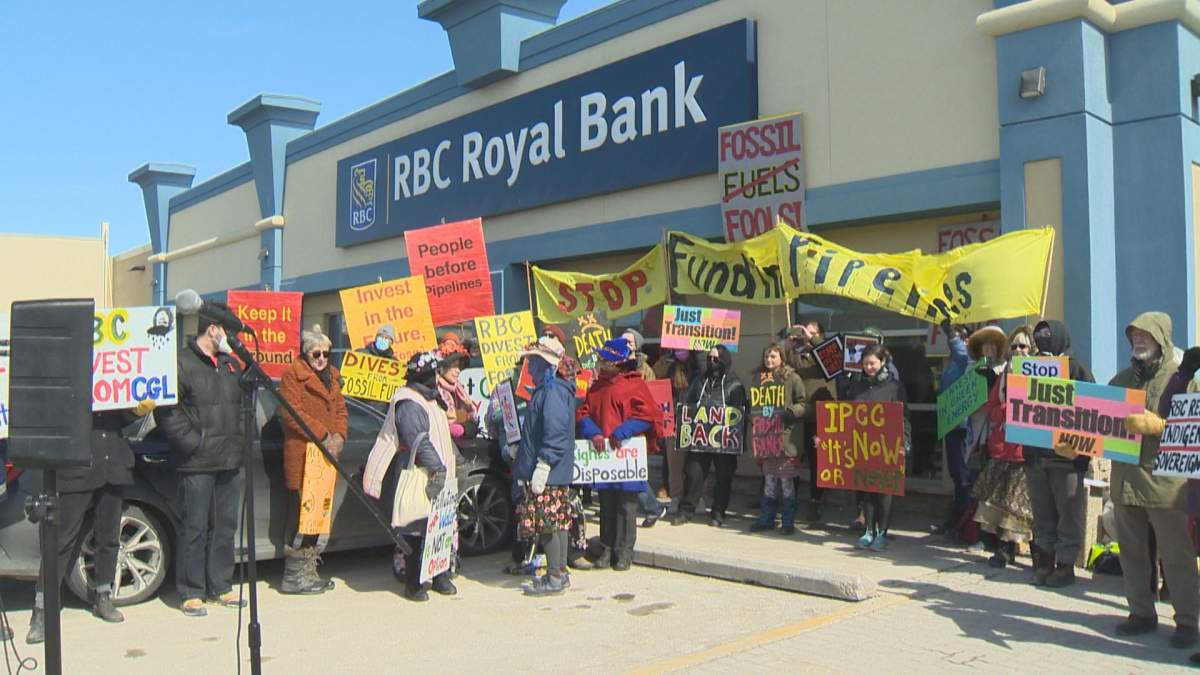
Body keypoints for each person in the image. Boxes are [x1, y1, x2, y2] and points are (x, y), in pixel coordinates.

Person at [25, 402, 155, 644]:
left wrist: (135, 412)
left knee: (109, 535)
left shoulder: (114, 377)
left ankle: (103, 595)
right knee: (61, 541)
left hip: (112, 464)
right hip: (77, 467)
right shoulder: (69, 379)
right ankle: (42, 609)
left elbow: (121, 417)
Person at [1108, 313, 1198, 648]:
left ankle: (1187, 621)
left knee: (1177, 557)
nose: (1138, 340)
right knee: (1132, 555)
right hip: (1125, 480)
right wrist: (1075, 442)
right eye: (1134, 335)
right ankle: (1141, 613)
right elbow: (1096, 420)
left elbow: (1194, 424)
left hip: (1165, 485)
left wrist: (1161, 426)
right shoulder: (1120, 380)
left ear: (1161, 338)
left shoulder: (1183, 378)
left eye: (1145, 335)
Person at [154, 313, 248, 617]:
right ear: (213, 330)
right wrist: (193, 442)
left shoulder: (230, 364)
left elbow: (243, 405)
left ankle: (221, 585)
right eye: (229, 333)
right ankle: (192, 591)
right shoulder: (181, 362)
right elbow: (166, 411)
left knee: (225, 526)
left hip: (228, 458)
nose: (233, 340)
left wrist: (240, 437)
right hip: (196, 462)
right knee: (194, 526)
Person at [363, 350, 458, 601]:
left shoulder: (431, 399)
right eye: (432, 373)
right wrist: (437, 468)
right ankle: (414, 582)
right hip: (419, 471)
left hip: (440, 472)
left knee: (439, 527)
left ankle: (439, 574)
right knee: (416, 528)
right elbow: (418, 439)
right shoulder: (409, 401)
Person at [1024, 320, 1094, 588]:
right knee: (1042, 514)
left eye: (1048, 338)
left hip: (1066, 459)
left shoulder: (1077, 369)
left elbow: (1093, 411)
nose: (1043, 343)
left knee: (1068, 515)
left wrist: (1080, 454)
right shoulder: (1028, 368)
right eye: (1039, 339)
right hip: (1036, 456)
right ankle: (1044, 561)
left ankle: (1065, 565)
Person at [277, 325, 347, 595]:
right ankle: (294, 576)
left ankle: (309, 570)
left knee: (318, 516)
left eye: (326, 354)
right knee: (301, 517)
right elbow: (290, 413)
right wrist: (323, 434)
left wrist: (339, 436)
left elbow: (341, 410)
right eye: (316, 354)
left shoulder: (333, 376)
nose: (321, 359)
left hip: (326, 458)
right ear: (306, 353)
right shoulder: (293, 376)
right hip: (303, 456)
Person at [577, 338, 657, 570]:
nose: (601, 362)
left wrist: (622, 432)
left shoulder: (634, 384)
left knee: (626, 505)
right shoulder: (596, 387)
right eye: (602, 359)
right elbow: (583, 413)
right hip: (604, 458)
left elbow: (647, 415)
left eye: (605, 359)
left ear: (617, 363)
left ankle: (624, 551)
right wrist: (593, 433)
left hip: (625, 456)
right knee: (607, 504)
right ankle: (607, 547)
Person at [512, 336, 577, 596]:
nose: (530, 368)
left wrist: (543, 463)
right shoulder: (551, 389)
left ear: (546, 364)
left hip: (549, 470)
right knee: (557, 522)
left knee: (548, 524)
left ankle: (554, 577)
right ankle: (559, 572)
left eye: (534, 362)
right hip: (553, 469)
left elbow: (555, 431)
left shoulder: (552, 391)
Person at [968, 326, 1034, 568]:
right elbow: (992, 408)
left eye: (1023, 346)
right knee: (999, 502)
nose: (1018, 350)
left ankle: (1037, 556)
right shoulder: (1005, 373)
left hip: (1025, 452)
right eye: (1014, 346)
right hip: (1002, 449)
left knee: (1020, 508)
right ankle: (1003, 551)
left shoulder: (1041, 372)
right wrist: (1008, 409)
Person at [842, 344, 910, 551]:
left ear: (883, 362)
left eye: (872, 363)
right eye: (865, 364)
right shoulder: (856, 386)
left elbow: (904, 418)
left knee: (885, 490)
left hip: (887, 446)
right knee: (866, 489)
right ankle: (868, 531)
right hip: (862, 445)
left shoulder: (895, 387)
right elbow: (845, 415)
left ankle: (882, 533)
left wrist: (904, 443)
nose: (869, 367)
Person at [672, 345, 746, 528]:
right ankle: (686, 511)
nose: (711, 362)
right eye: (709, 358)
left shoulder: (734, 384)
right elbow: (689, 402)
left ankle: (718, 513)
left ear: (724, 360)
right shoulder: (700, 381)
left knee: (723, 476)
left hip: (724, 440)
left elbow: (739, 412)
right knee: (693, 473)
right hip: (700, 437)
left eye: (715, 359)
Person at [782, 321, 837, 523]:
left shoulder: (824, 355)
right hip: (797, 416)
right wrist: (787, 343)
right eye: (803, 332)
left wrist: (812, 339)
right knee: (792, 458)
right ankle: (789, 499)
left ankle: (816, 501)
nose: (805, 336)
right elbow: (773, 359)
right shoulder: (794, 354)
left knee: (817, 462)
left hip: (819, 417)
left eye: (812, 333)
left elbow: (833, 356)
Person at [749, 343, 807, 535]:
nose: (769, 360)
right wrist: (753, 417)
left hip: (785, 440)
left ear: (782, 358)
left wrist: (790, 412)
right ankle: (766, 520)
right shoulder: (758, 379)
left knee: (786, 483)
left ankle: (788, 522)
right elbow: (753, 405)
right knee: (769, 483)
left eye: (773, 356)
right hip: (766, 440)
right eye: (766, 356)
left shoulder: (792, 378)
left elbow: (804, 404)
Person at [621, 328, 667, 526]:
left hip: (637, 428)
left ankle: (653, 508)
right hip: (618, 425)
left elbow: (650, 402)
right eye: (622, 341)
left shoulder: (645, 371)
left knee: (633, 471)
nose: (625, 345)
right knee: (623, 471)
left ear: (636, 346)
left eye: (629, 342)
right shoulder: (616, 365)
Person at [937, 321, 973, 532]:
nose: (955, 341)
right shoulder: (954, 363)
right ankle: (957, 518)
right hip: (952, 425)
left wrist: (951, 333)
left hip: (962, 427)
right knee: (955, 473)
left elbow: (960, 351)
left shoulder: (966, 358)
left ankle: (962, 522)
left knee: (962, 476)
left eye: (961, 337)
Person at [665, 350, 699, 512]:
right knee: (675, 463)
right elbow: (665, 394)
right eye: (678, 349)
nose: (681, 352)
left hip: (695, 421)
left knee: (696, 464)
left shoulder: (699, 370)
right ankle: (676, 496)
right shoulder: (671, 369)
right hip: (675, 420)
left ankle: (696, 497)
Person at [436, 338, 480, 439]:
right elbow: (438, 424)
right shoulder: (435, 390)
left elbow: (468, 412)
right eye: (454, 366)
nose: (458, 371)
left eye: (459, 367)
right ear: (442, 368)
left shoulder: (457, 389)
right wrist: (460, 429)